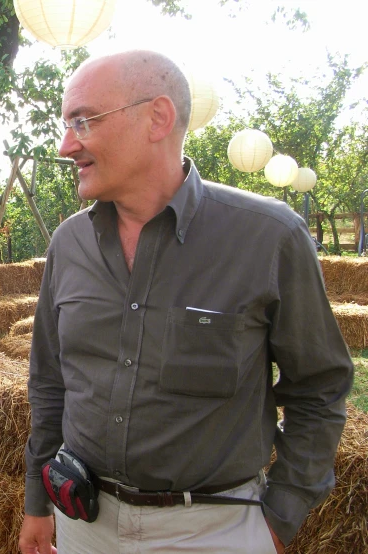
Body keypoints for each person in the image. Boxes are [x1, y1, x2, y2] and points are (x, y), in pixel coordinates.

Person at [18, 50, 354, 554]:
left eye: (83, 121)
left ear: (158, 118)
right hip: (83, 525)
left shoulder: (269, 236)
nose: (67, 145)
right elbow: (49, 383)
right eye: (67, 124)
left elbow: (320, 388)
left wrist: (280, 517)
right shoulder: (68, 244)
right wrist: (36, 501)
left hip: (213, 532)